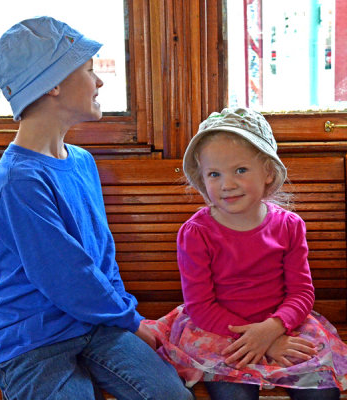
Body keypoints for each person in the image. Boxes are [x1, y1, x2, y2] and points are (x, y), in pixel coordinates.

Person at [0, 16, 194, 400]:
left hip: (96, 324)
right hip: (34, 339)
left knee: (173, 396)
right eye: (89, 69)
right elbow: (66, 276)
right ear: (54, 84)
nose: (99, 82)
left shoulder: (81, 161)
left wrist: (126, 317)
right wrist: (132, 321)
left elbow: (100, 254)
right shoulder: (19, 181)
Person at [143, 107, 347, 400]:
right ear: (202, 180)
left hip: (284, 325)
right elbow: (200, 305)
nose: (227, 184)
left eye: (240, 170)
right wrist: (259, 341)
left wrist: (272, 331)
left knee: (321, 395)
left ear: (267, 172)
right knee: (235, 397)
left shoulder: (289, 226)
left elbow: (301, 293)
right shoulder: (196, 233)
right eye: (214, 174)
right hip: (220, 333)